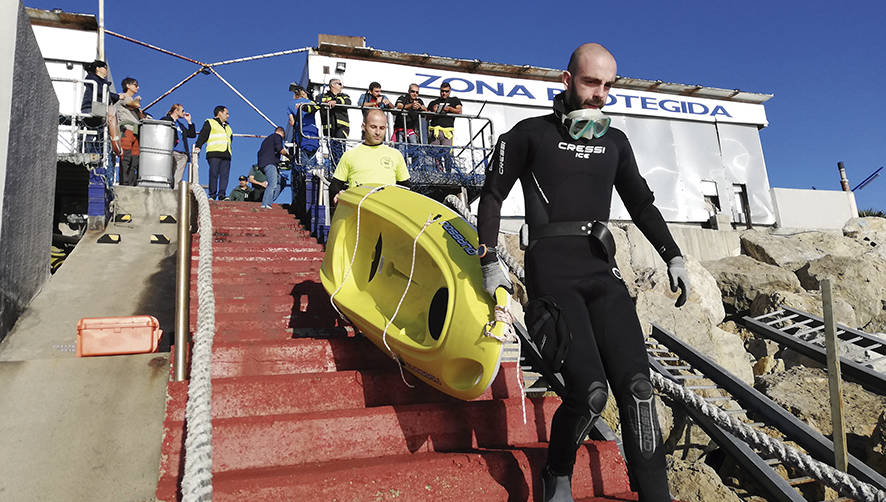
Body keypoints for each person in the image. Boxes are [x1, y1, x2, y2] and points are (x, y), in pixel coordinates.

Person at [476, 43, 691, 502]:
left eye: (609, 85)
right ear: (567, 80)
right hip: (552, 273)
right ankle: (556, 472)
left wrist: (673, 255)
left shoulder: (615, 142)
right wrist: (490, 260)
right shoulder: (528, 134)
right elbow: (492, 196)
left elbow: (641, 204)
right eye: (592, 82)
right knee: (590, 390)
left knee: (637, 389)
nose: (600, 94)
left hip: (601, 270)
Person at [328, 109, 411, 205]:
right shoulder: (349, 155)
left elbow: (407, 188)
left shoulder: (395, 154)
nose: (378, 132)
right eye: (373, 127)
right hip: (358, 212)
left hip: (386, 212)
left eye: (382, 128)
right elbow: (334, 188)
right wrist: (338, 195)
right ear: (364, 126)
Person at [194, 105, 233, 200]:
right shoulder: (210, 122)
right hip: (214, 152)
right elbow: (203, 135)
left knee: (224, 176)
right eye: (226, 113)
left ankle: (222, 195)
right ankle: (212, 195)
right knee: (214, 174)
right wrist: (198, 146)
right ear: (220, 113)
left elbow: (230, 139)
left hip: (226, 154)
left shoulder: (228, 127)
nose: (228, 116)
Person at [426, 82, 462, 172]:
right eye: (442, 91)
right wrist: (432, 111)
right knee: (435, 154)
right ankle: (439, 171)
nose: (444, 93)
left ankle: (448, 172)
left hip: (447, 132)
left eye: (446, 91)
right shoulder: (433, 102)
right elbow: (426, 117)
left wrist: (449, 109)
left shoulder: (454, 100)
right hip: (435, 131)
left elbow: (459, 111)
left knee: (447, 153)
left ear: (450, 91)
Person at [115, 77, 144, 186]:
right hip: (126, 129)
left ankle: (131, 183)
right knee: (126, 158)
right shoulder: (123, 97)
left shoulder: (130, 99)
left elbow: (140, 115)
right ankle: (124, 182)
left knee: (134, 160)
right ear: (128, 85)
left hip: (135, 131)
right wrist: (138, 100)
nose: (138, 87)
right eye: (135, 85)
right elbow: (134, 105)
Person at [161, 103, 197, 187]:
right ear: (176, 111)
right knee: (168, 175)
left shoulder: (180, 125)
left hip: (183, 154)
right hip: (171, 151)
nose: (184, 113)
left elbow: (192, 134)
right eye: (182, 110)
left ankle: (176, 194)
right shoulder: (166, 120)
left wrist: (189, 121)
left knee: (178, 178)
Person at [320, 78, 351, 167]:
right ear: (332, 85)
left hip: (342, 127)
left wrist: (335, 102)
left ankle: (341, 169)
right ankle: (335, 170)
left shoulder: (344, 96)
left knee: (340, 148)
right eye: (340, 84)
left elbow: (348, 102)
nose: (342, 86)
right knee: (332, 152)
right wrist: (328, 101)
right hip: (329, 129)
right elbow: (319, 101)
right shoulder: (323, 96)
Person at [256, 126, 290, 209]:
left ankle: (268, 200)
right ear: (282, 133)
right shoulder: (277, 136)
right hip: (270, 164)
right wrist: (289, 156)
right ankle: (266, 204)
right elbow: (280, 149)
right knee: (272, 184)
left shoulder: (267, 140)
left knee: (281, 182)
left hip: (264, 163)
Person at [287, 84, 320, 167]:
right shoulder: (310, 102)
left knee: (303, 162)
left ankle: (306, 176)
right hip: (312, 132)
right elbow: (316, 107)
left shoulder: (290, 104)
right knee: (312, 159)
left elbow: (292, 122)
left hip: (301, 133)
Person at [81, 60, 118, 126]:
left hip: (98, 109)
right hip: (90, 107)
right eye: (105, 68)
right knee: (93, 128)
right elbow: (100, 91)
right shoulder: (92, 78)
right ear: (97, 68)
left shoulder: (102, 82)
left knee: (97, 130)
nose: (106, 70)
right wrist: (117, 96)